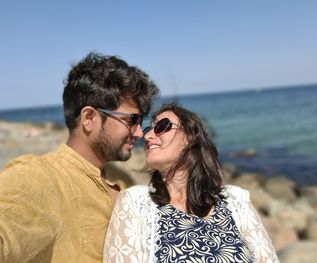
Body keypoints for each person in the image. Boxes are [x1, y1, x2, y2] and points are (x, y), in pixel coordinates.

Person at [0, 52, 159, 263]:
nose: (140, 132)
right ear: (89, 118)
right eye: (132, 120)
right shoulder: (41, 176)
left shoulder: (120, 181)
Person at [104, 103, 280, 263]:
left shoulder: (234, 200)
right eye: (149, 129)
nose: (148, 135)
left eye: (161, 126)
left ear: (190, 138)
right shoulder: (135, 203)